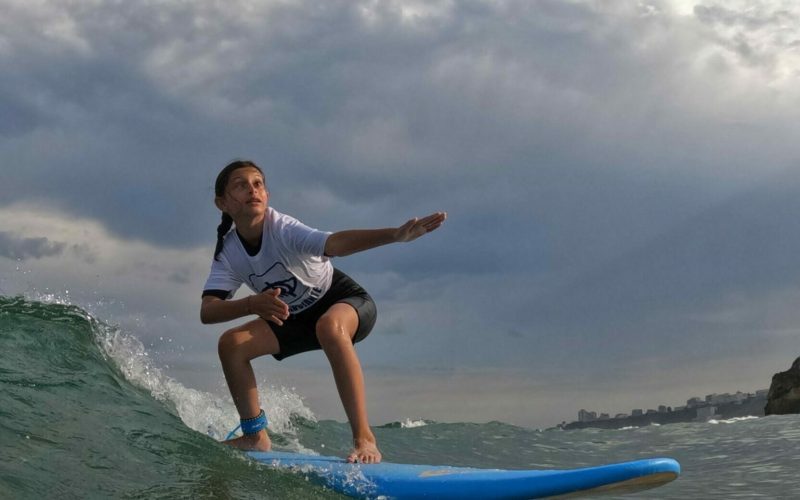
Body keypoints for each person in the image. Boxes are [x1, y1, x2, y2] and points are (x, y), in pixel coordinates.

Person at [200, 160, 446, 464]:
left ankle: (365, 439)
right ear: (222, 203)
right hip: (293, 316)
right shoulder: (229, 252)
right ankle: (255, 435)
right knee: (232, 344)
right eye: (241, 184)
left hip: (343, 301)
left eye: (258, 183)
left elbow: (336, 243)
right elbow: (208, 310)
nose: (253, 190)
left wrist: (394, 235)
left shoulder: (283, 229)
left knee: (330, 326)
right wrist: (251, 304)